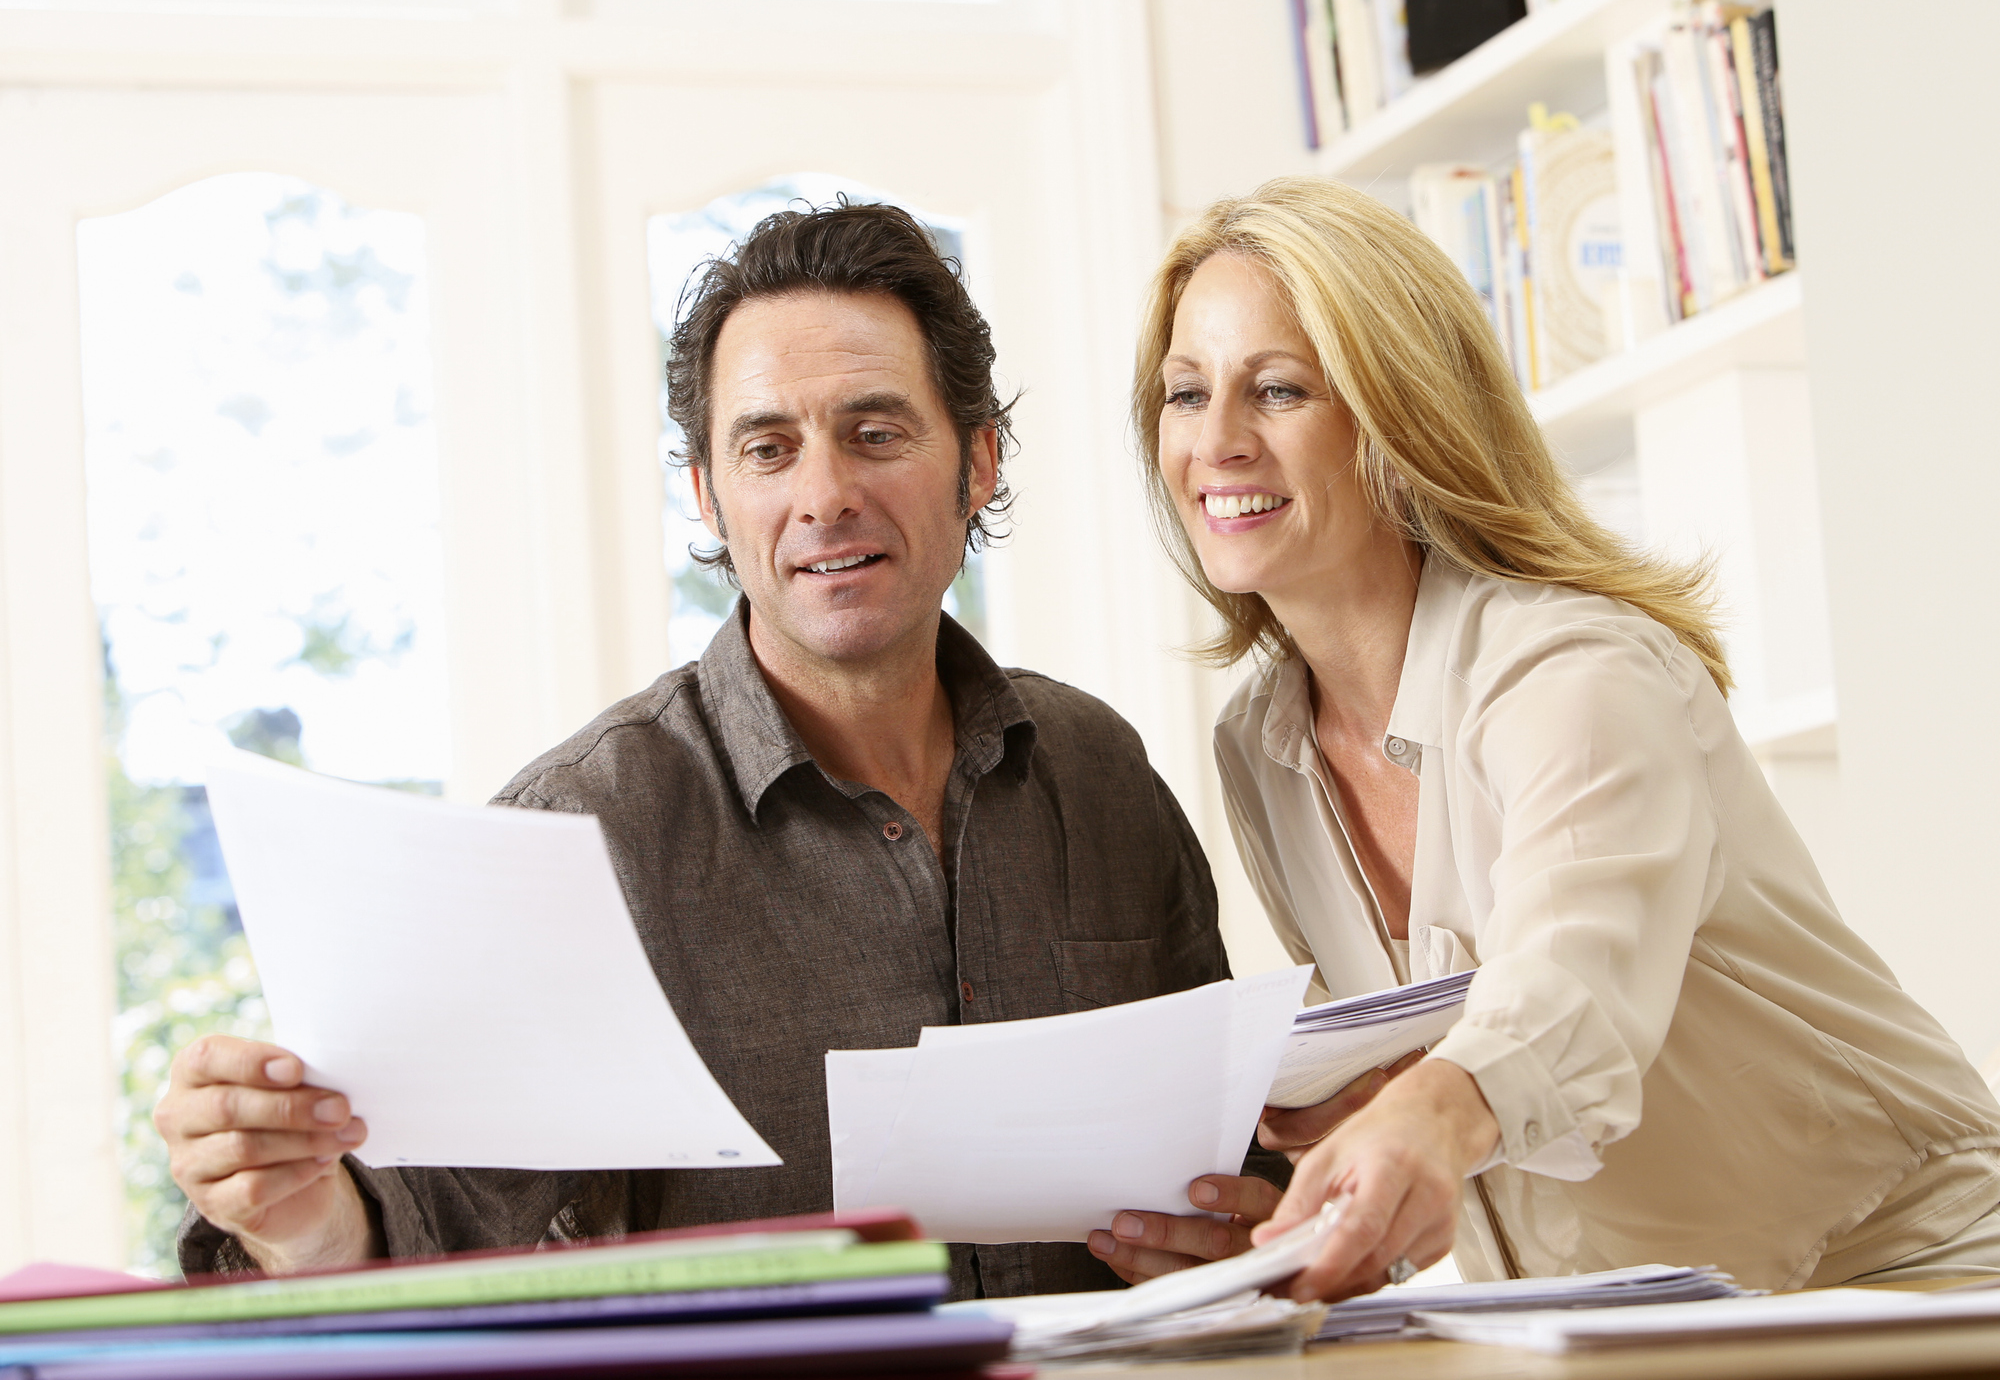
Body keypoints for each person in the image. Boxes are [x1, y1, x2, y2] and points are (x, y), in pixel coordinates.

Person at [156, 200, 1280, 1301]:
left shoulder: (1099, 772)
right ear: (707, 490)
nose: (824, 496)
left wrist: (1244, 1238)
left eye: (876, 432)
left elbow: (1242, 1169)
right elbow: (419, 1236)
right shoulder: (580, 830)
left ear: (977, 463)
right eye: (767, 448)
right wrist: (298, 1219)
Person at [1088, 176, 2000, 1300]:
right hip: (1620, 1304)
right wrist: (1312, 1216)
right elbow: (1460, 1074)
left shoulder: (1575, 670)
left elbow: (1571, 989)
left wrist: (1427, 1112)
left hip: (1893, 1262)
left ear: (1396, 419)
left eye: (1278, 389)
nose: (1215, 442)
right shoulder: (1263, 747)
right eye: (1183, 394)